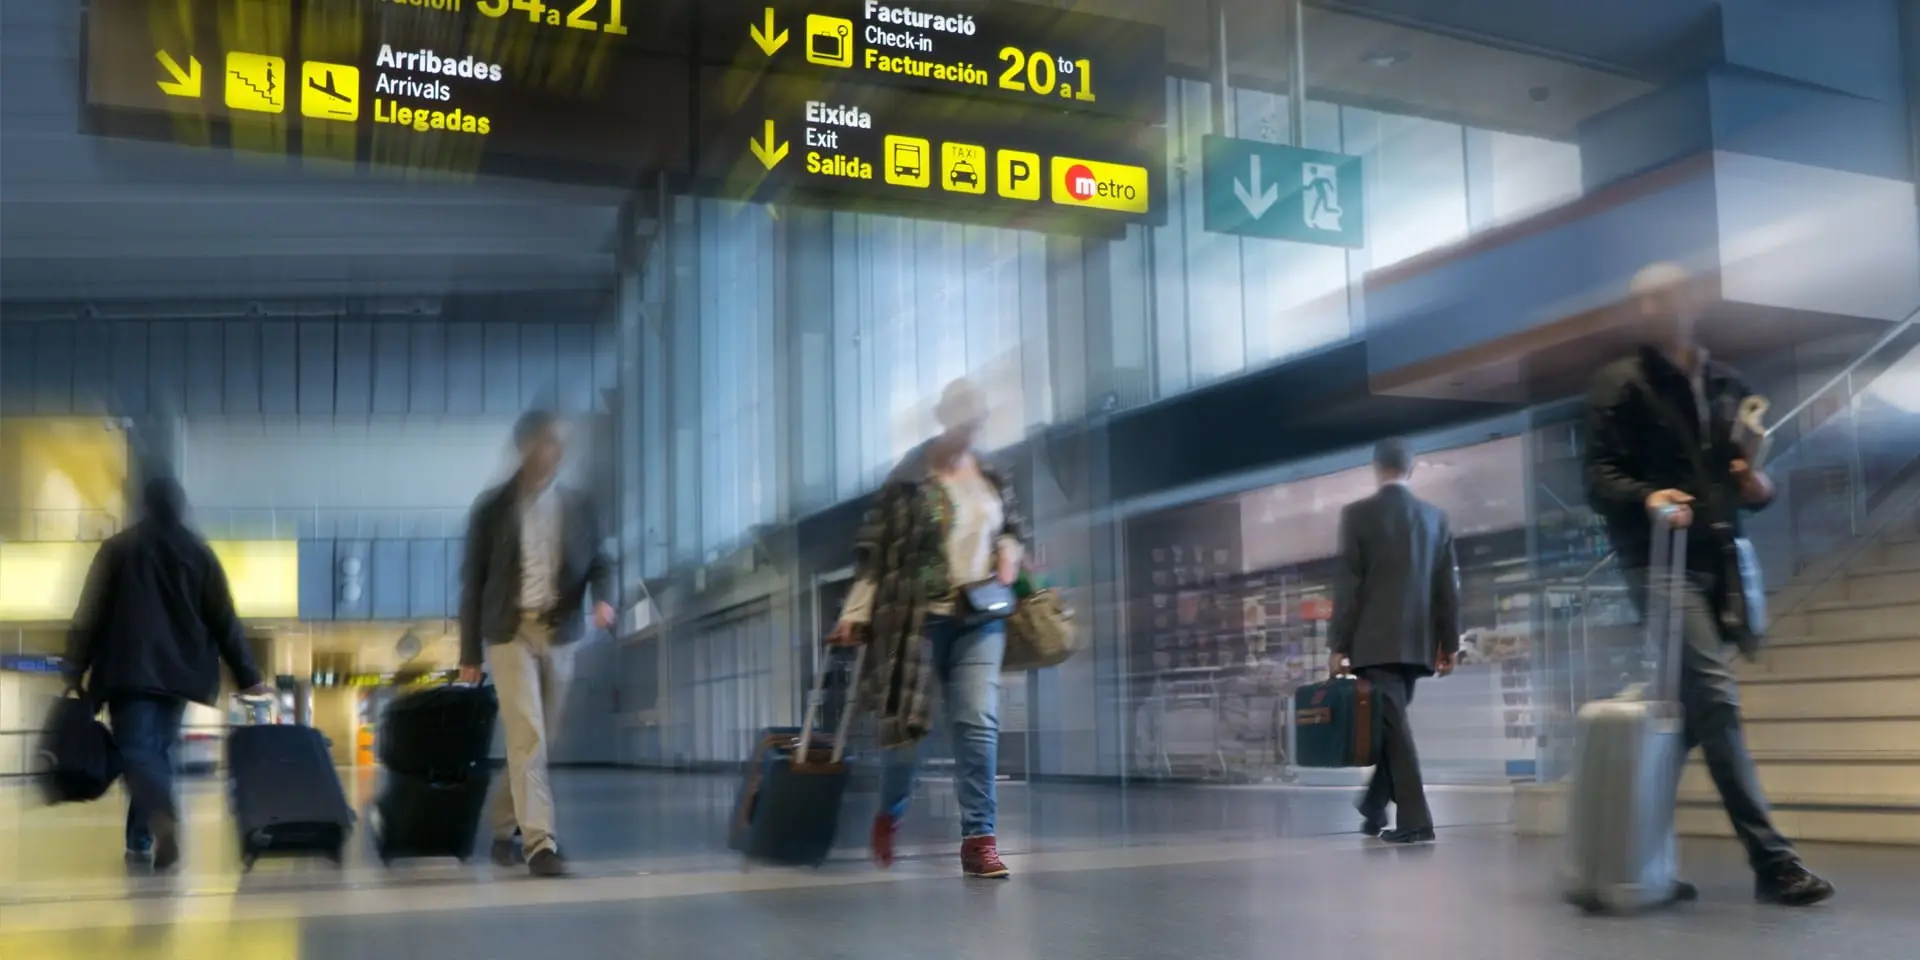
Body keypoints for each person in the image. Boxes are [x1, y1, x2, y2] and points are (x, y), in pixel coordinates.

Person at [1583, 262, 1834, 906]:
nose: (1648, 311)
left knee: (1694, 719)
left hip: (1720, 563)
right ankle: (1773, 862)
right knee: (1717, 701)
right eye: (1639, 302)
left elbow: (1747, 485)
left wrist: (1759, 486)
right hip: (1658, 562)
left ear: (1690, 302)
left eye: (1659, 299)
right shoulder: (1619, 385)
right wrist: (1648, 498)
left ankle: (1627, 859)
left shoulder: (1728, 385)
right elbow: (1599, 477)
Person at [828, 378, 1028, 879]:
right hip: (914, 621)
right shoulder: (907, 480)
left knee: (978, 722)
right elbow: (873, 557)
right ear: (945, 419)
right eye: (965, 420)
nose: (972, 430)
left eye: (979, 421)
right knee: (907, 737)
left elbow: (1012, 530)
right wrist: (854, 613)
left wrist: (1008, 554)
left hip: (980, 617)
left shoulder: (993, 476)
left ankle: (979, 839)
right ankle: (890, 812)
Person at [64, 475, 269, 871]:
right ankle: (141, 839)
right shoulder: (198, 552)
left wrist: (75, 665)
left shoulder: (118, 549)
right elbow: (223, 618)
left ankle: (162, 814)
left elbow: (90, 614)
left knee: (138, 752)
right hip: (181, 675)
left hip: (128, 670)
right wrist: (247, 674)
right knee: (154, 754)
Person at [459, 410, 615, 878]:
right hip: (509, 632)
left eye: (561, 443)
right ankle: (540, 844)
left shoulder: (578, 506)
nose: (557, 451)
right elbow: (472, 583)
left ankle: (504, 828)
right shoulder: (491, 510)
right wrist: (469, 653)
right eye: (549, 441)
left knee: (537, 739)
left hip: (560, 631)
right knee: (527, 733)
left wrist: (603, 601)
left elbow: (601, 563)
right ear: (526, 447)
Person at [1328, 438, 1460, 845]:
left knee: (1395, 732)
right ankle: (1373, 804)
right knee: (1390, 726)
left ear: (1376, 468)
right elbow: (1447, 588)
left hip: (1374, 644)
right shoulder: (1435, 518)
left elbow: (1349, 585)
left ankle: (1416, 821)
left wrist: (1338, 644)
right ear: (1412, 468)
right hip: (1417, 647)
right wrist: (1449, 642)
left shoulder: (1358, 516)